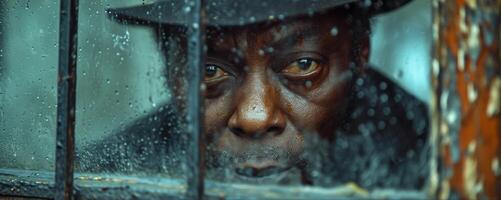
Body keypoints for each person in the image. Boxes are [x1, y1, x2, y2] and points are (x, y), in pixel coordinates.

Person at [77, 0, 429, 189]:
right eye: (210, 71)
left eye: (303, 66)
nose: (254, 116)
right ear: (170, 68)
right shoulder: (106, 177)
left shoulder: (439, 164)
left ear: (359, 55)